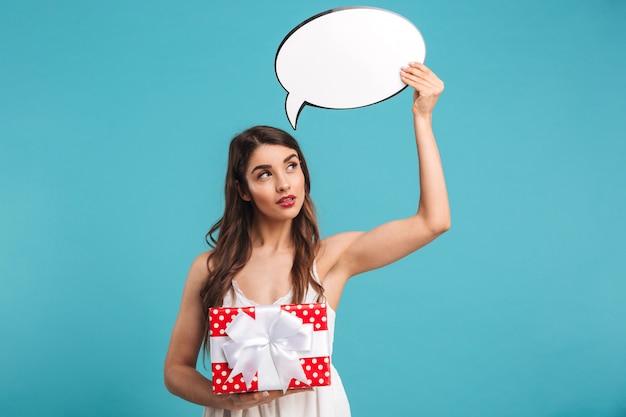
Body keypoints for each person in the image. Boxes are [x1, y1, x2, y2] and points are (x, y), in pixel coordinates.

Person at [164, 62, 450, 417]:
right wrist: (224, 399)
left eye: (291, 165)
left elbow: (433, 222)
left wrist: (422, 118)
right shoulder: (209, 268)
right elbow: (176, 371)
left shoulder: (332, 256)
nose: (284, 184)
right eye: (264, 174)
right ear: (243, 190)